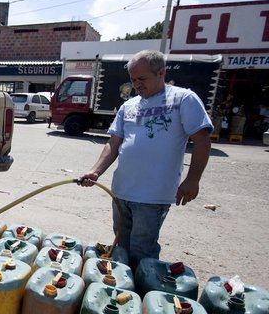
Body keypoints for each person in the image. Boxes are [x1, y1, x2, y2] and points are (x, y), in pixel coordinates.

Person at [78, 50, 212, 268]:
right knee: (120, 245)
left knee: (143, 249)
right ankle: (123, 287)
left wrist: (192, 179)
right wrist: (95, 171)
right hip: (121, 191)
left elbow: (202, 140)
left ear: (161, 73)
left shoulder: (183, 99)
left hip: (153, 196)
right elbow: (113, 143)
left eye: (142, 79)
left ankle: (143, 293)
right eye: (133, 80)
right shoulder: (128, 106)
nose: (136, 84)